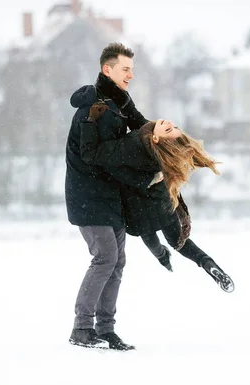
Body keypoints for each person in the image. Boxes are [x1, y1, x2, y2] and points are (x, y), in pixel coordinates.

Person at [65, 42, 174, 351]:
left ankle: (106, 329)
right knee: (105, 257)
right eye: (126, 70)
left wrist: (163, 135)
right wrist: (141, 170)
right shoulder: (94, 106)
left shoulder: (120, 102)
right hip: (87, 196)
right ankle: (82, 328)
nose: (131, 75)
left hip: (111, 195)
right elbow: (91, 155)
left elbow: (141, 128)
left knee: (118, 260)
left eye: (132, 70)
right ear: (107, 69)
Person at [80, 105, 235, 294]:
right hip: (162, 204)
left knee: (152, 242)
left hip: (140, 211)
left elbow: (100, 160)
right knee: (180, 242)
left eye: (168, 129)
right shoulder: (161, 154)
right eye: (174, 126)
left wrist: (90, 122)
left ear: (155, 139)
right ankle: (206, 262)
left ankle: (163, 258)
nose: (169, 122)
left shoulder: (132, 146)